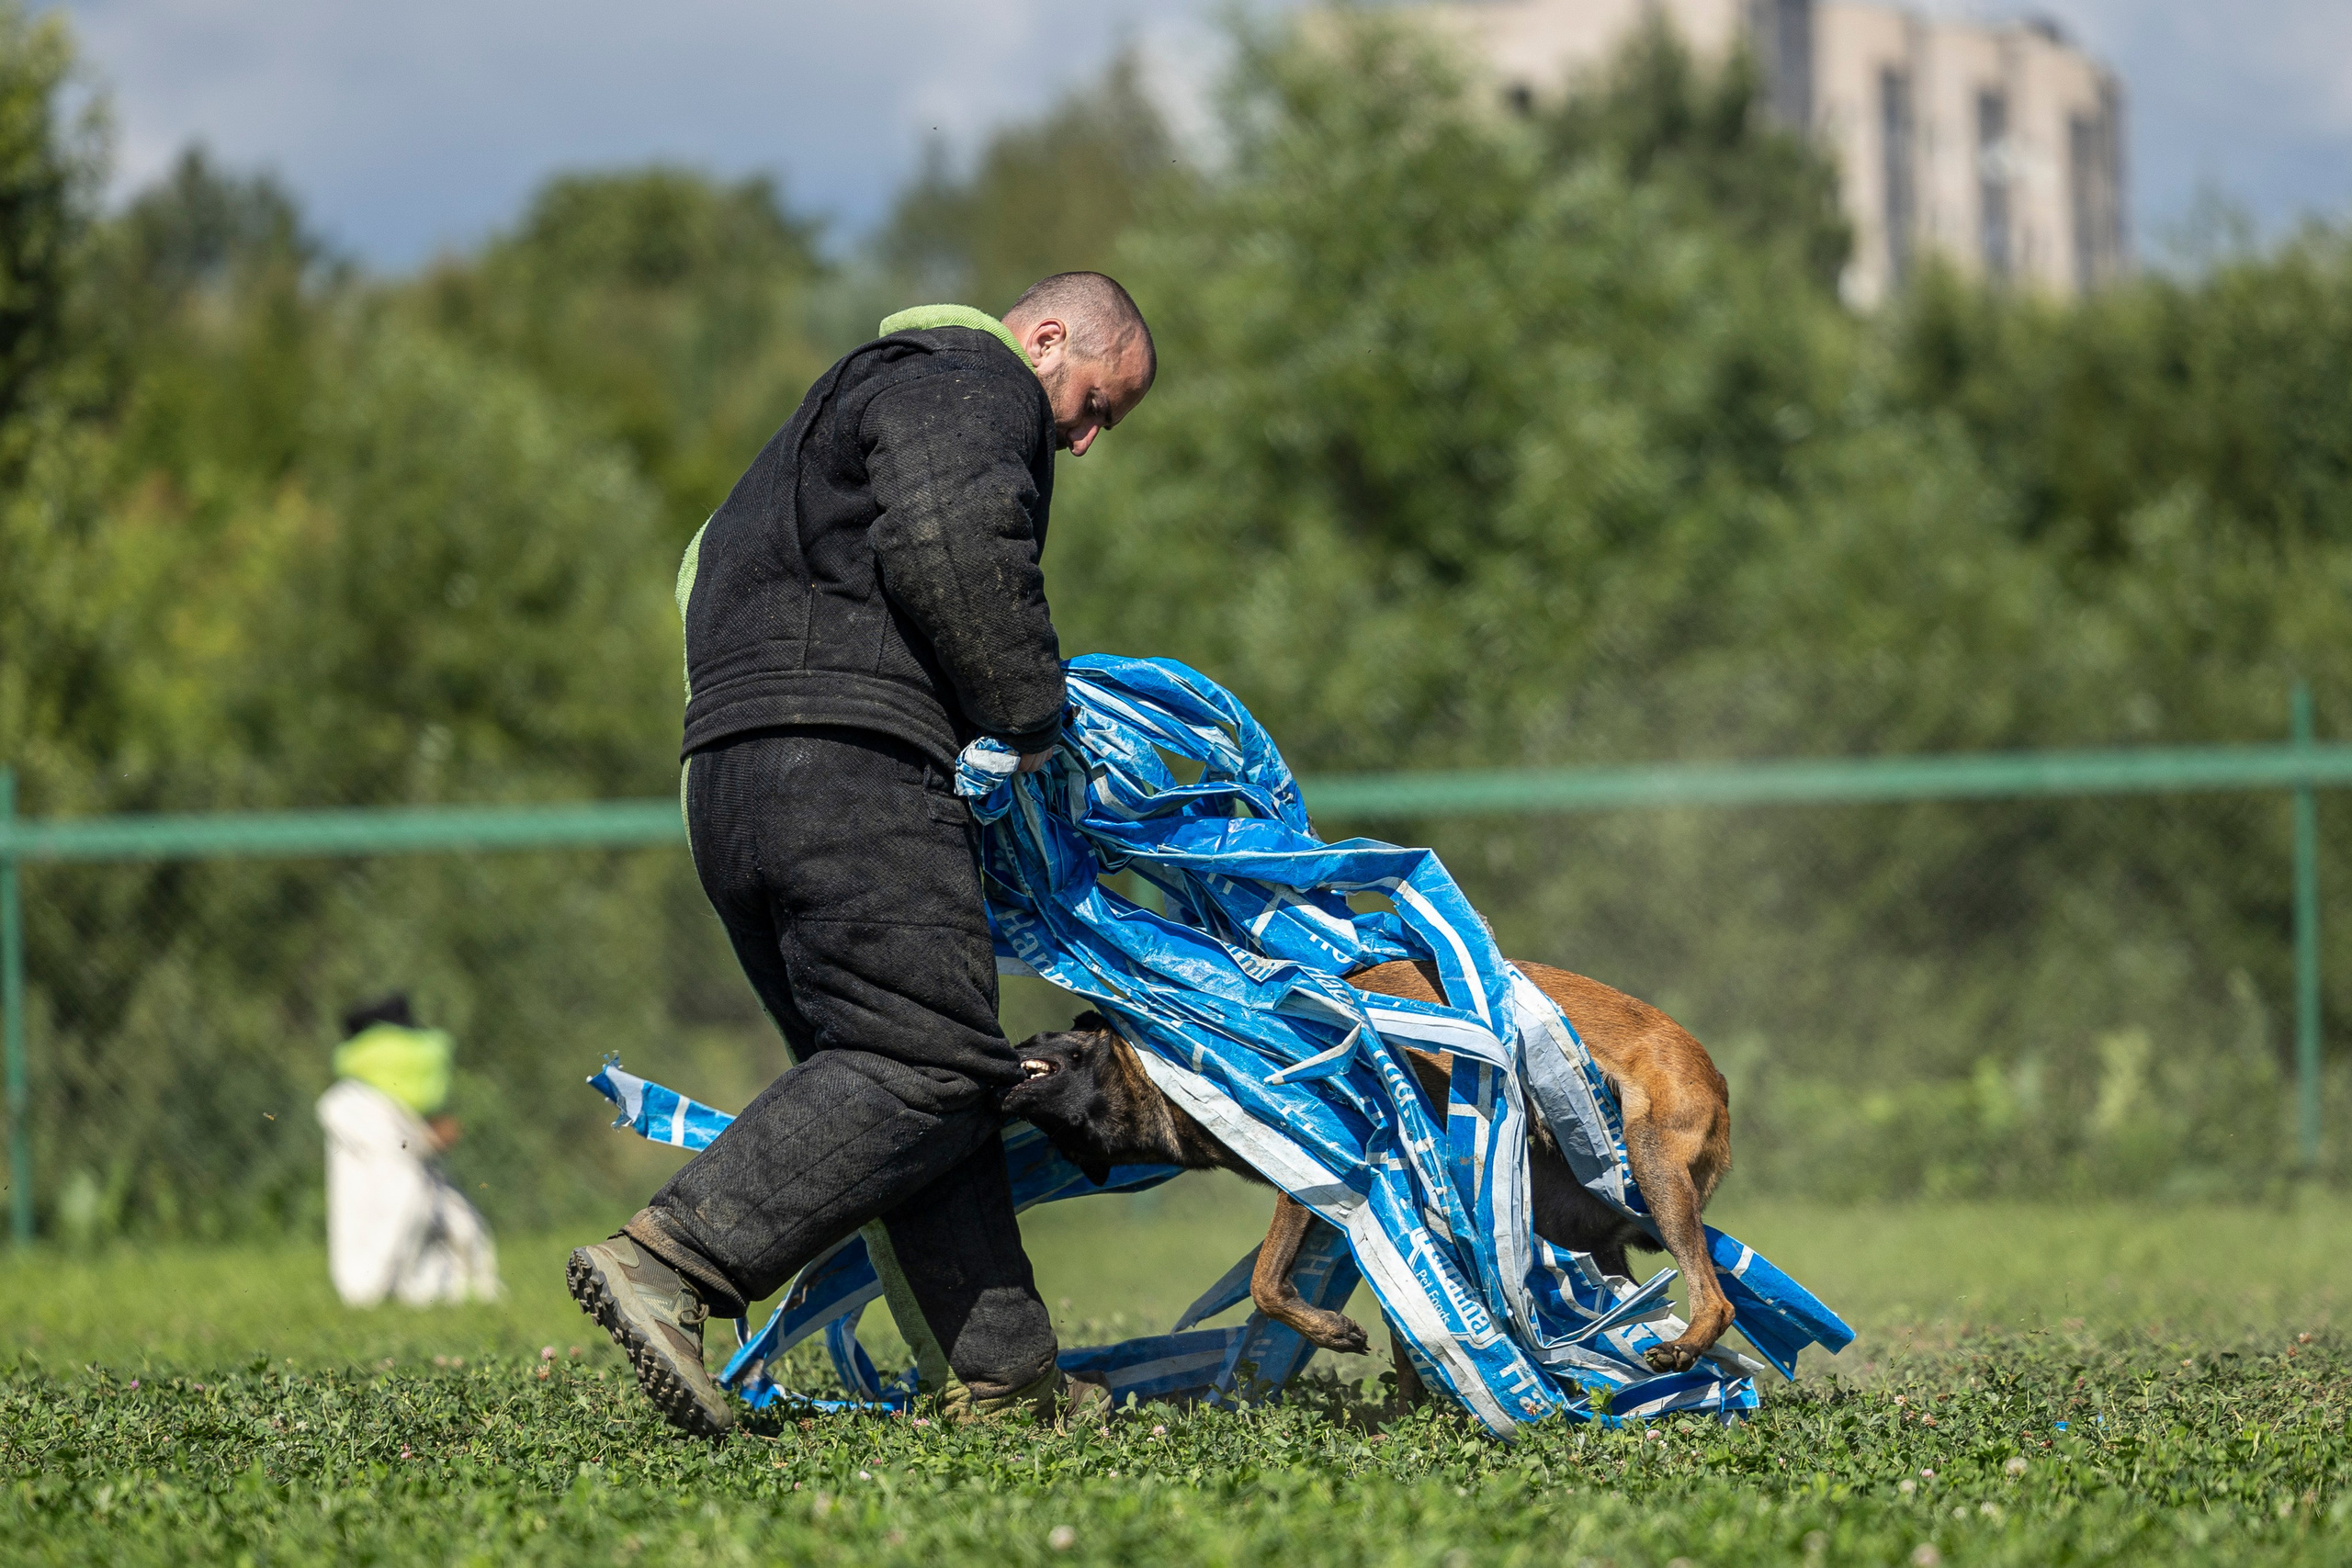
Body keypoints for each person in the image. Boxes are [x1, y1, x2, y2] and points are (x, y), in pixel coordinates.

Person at [567, 274, 1156, 1437]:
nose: (1084, 442)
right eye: (1093, 403)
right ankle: (678, 1261)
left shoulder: (813, 432)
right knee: (929, 1062)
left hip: (730, 784)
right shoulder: (960, 378)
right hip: (846, 769)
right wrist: (1030, 717)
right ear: (1043, 340)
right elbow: (954, 535)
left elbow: (696, 580)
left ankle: (1007, 1379)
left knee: (910, 1080)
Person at [316, 993, 502, 1306]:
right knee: (405, 1196)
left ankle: (384, 1290)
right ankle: (370, 1293)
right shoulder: (352, 1107)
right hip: (372, 1277)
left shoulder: (353, 1103)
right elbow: (402, 1184)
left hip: (416, 1280)